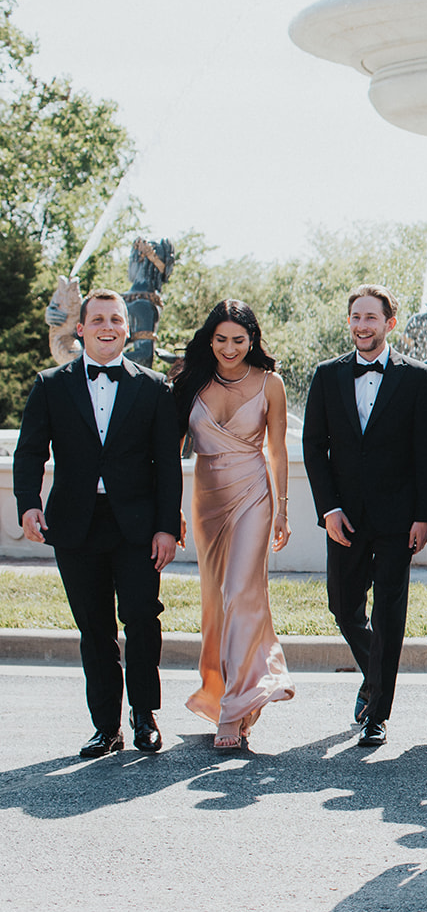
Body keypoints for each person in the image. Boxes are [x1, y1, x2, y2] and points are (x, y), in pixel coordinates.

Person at [13, 290, 181, 757]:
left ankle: (145, 716)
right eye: (99, 319)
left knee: (143, 620)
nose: (108, 326)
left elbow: (167, 464)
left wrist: (168, 527)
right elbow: (29, 451)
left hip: (138, 527)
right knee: (95, 628)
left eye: (116, 319)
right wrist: (28, 502)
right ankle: (106, 726)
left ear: (127, 329)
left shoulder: (153, 387)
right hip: (75, 524)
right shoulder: (51, 384)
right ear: (81, 328)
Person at [302, 284, 427, 748]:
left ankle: (377, 710)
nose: (363, 325)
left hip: (398, 519)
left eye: (371, 318)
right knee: (342, 606)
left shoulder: (421, 378)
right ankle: (374, 673)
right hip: (343, 517)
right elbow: (313, 450)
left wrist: (423, 515)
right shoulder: (326, 375)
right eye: (356, 317)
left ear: (389, 323)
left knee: (390, 614)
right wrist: (328, 509)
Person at [171, 301, 296, 749]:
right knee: (216, 601)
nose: (229, 348)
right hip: (207, 497)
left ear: (252, 341)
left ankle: (234, 709)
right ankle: (229, 692)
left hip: (253, 494)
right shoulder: (190, 382)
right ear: (210, 340)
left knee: (242, 593)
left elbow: (278, 451)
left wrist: (282, 509)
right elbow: (170, 452)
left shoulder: (270, 384)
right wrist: (171, 509)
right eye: (221, 339)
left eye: (238, 340)